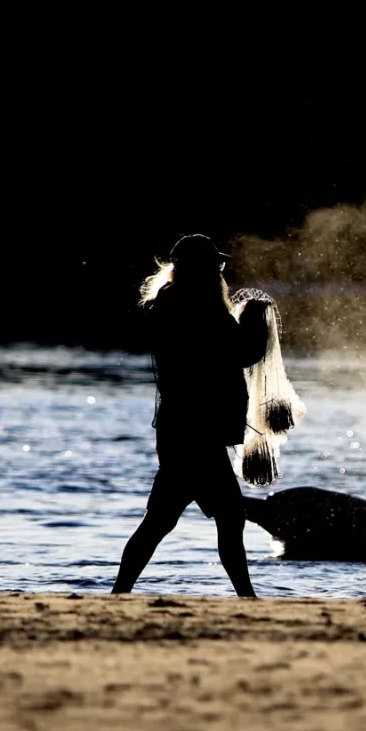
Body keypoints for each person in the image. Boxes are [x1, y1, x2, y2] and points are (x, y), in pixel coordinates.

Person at [113, 234, 269, 597]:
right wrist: (255, 319)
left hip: (180, 432)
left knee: (160, 522)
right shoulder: (198, 308)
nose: (219, 270)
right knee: (227, 517)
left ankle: (120, 593)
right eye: (214, 265)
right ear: (199, 268)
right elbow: (241, 354)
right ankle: (247, 598)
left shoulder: (174, 304)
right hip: (195, 435)